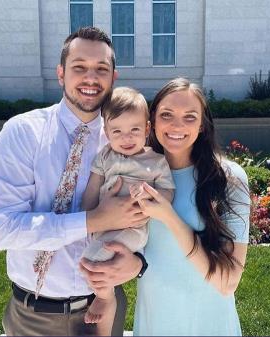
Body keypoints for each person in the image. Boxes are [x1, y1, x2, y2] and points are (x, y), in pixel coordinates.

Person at [0, 27, 147, 336]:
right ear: (61, 73)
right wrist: (91, 220)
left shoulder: (126, 139)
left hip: (104, 307)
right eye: (79, 67)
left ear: (114, 77)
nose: (91, 78)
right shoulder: (22, 133)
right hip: (33, 316)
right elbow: (1, 229)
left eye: (101, 69)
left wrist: (138, 262)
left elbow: (154, 214)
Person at [130, 78, 249, 335]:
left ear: (203, 126)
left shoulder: (230, 178)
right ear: (152, 122)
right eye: (167, 115)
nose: (176, 125)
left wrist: (169, 217)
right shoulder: (137, 174)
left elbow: (227, 283)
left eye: (190, 117)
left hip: (210, 324)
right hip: (155, 322)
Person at [80, 87, 175, 331]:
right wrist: (89, 215)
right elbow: (92, 188)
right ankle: (104, 293)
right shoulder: (105, 156)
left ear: (146, 129)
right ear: (107, 133)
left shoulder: (156, 161)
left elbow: (168, 192)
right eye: (117, 131)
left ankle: (104, 298)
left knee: (91, 261)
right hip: (103, 223)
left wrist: (148, 195)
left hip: (133, 227)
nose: (127, 137)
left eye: (134, 130)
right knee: (91, 260)